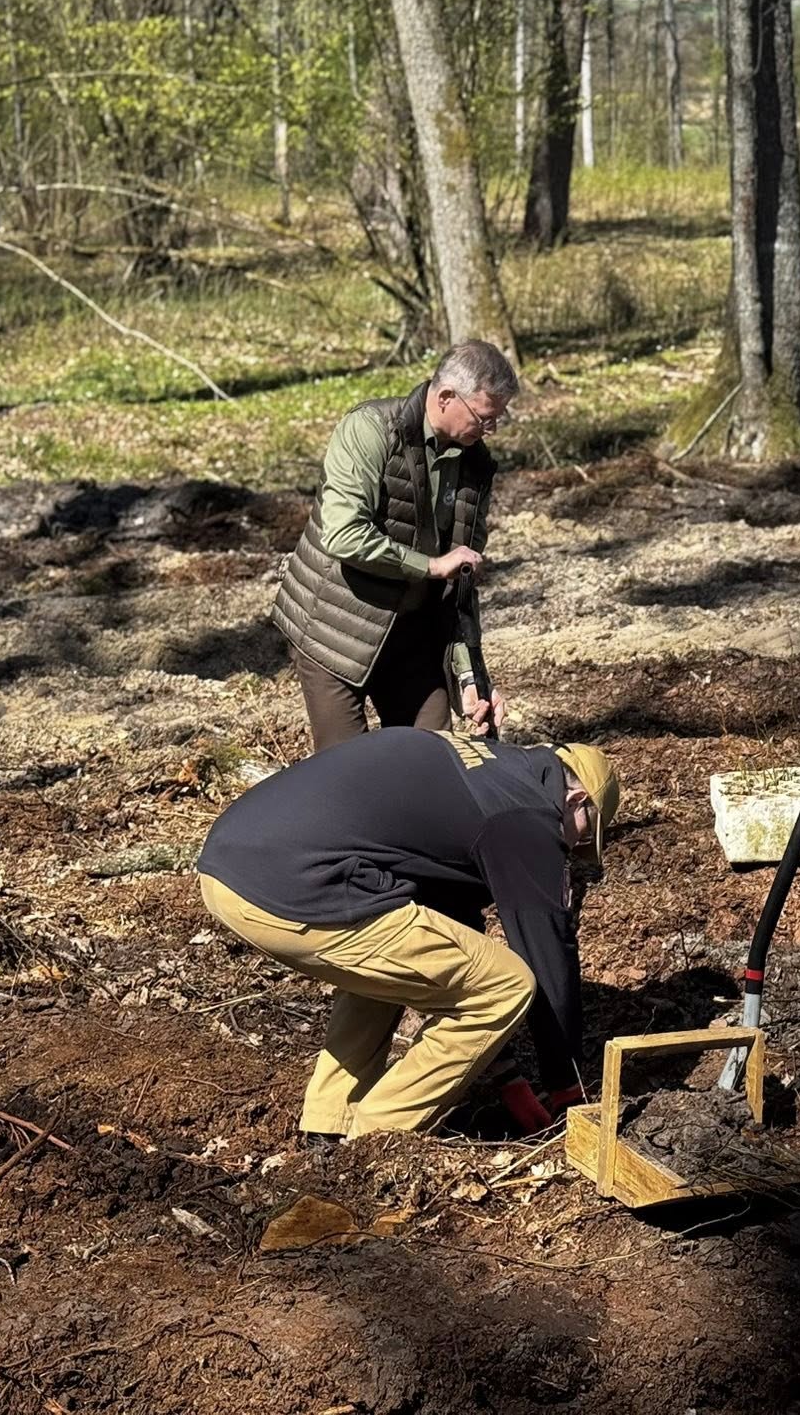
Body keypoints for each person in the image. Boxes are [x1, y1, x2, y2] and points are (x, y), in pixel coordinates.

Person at [195, 727, 620, 1141]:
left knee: (395, 953)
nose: (573, 851)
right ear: (576, 800)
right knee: (506, 987)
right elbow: (548, 956)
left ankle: (331, 1123)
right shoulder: (526, 814)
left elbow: (452, 927)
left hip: (233, 864)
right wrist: (567, 1085)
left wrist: (504, 1074)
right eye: (582, 839)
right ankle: (375, 1138)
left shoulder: (487, 773)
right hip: (287, 884)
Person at [272, 340, 517, 751]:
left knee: (433, 762)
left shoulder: (475, 465)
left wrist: (471, 680)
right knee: (350, 773)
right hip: (334, 631)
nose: (488, 430)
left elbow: (460, 582)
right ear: (444, 398)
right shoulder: (369, 430)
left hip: (411, 637)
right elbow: (342, 534)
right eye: (484, 418)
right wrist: (431, 566)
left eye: (495, 421)